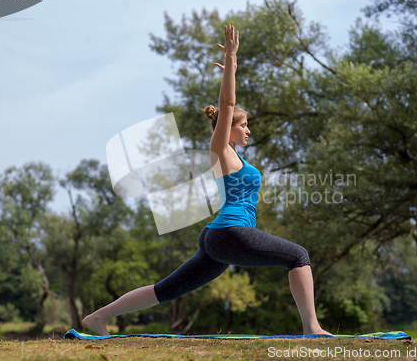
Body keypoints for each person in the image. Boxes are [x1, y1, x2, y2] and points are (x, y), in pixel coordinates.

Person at [82, 24, 332, 337]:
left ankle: (98, 318)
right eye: (243, 126)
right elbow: (227, 105)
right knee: (299, 256)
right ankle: (312, 328)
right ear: (227, 129)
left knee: (168, 289)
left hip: (219, 237)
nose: (248, 131)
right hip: (231, 232)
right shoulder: (221, 151)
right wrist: (231, 64)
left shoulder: (236, 159)